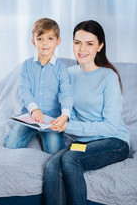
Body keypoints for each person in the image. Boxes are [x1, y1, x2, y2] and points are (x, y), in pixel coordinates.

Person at [43, 20, 130, 205]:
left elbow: (110, 126)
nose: (82, 49)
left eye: (89, 43)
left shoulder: (109, 77)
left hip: (114, 140)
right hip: (84, 141)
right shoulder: (69, 74)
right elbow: (70, 113)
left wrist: (69, 125)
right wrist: (57, 120)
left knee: (71, 159)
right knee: (51, 166)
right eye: (77, 42)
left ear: (100, 46)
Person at [5, 18, 73, 154]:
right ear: (33, 42)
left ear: (58, 41)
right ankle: (33, 131)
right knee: (11, 146)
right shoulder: (27, 65)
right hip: (30, 117)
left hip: (51, 120)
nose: (45, 43)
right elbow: (24, 89)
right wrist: (34, 109)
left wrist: (65, 115)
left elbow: (66, 94)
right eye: (40, 39)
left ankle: (42, 133)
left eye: (50, 38)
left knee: (55, 151)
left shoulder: (62, 69)